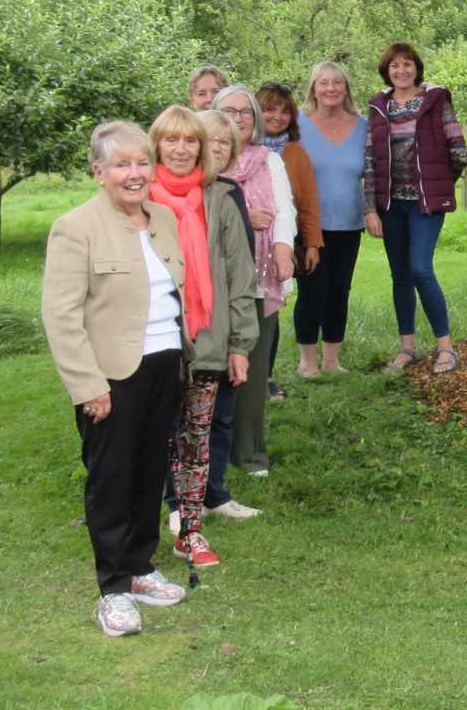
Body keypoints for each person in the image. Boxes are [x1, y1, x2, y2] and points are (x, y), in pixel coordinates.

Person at [40, 121, 191, 636]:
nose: (134, 174)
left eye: (141, 162)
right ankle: (113, 590)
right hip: (110, 375)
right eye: (122, 165)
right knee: (112, 479)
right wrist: (88, 386)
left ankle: (141, 568)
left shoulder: (163, 218)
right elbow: (61, 315)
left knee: (150, 473)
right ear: (98, 172)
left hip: (163, 364)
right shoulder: (75, 227)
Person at [147, 106, 259, 570]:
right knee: (149, 437)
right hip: (151, 343)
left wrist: (239, 345)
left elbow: (240, 275)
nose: (180, 149)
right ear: (155, 146)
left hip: (209, 341)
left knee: (196, 439)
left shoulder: (220, 199)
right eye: (170, 140)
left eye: (189, 141)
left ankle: (190, 530)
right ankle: (135, 528)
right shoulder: (137, 198)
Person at [364, 42, 467, 374]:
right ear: (387, 71)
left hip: (425, 204)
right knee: (400, 275)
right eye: (395, 65)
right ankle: (408, 348)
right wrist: (370, 208)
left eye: (407, 64)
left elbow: (458, 149)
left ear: (417, 68)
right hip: (391, 204)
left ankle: (446, 348)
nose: (402, 70)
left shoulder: (436, 101)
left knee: (421, 269)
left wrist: (438, 186)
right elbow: (369, 161)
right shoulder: (379, 107)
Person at [212, 85, 297, 475]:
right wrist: (248, 215)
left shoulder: (269, 160)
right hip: (213, 279)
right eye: (229, 111)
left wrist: (282, 249)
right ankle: (207, 453)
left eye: (246, 112)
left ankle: (249, 453)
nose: (239, 118)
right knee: (211, 367)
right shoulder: (205, 160)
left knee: (254, 367)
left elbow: (283, 209)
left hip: (261, 276)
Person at [191, 108, 263, 522]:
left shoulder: (231, 191)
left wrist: (241, 336)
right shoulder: (169, 194)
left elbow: (243, 268)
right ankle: (176, 502)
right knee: (182, 422)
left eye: (225, 142)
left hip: (228, 321)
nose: (217, 147)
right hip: (191, 327)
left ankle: (214, 494)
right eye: (210, 139)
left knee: (222, 413)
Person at [294, 62, 367, 376]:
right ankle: (307, 362)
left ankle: (333, 360)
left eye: (337, 83)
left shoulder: (363, 125)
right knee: (312, 291)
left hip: (349, 223)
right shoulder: (297, 124)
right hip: (308, 224)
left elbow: (374, 172)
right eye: (324, 83)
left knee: (340, 290)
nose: (331, 89)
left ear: (346, 88)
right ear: (314, 88)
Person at [257, 81, 324, 396]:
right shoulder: (238, 149)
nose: (277, 116)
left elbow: (308, 202)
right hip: (246, 241)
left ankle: (266, 377)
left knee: (271, 308)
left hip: (283, 242)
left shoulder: (296, 153)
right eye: (270, 109)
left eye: (285, 111)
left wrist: (311, 244)